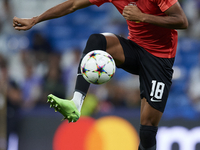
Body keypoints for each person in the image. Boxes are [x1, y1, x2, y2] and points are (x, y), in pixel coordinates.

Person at [13, 0, 188, 149]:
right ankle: (76, 102)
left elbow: (181, 20)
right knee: (96, 41)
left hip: (159, 59)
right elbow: (73, 5)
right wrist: (36, 20)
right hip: (134, 49)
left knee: (148, 127)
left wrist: (142, 17)